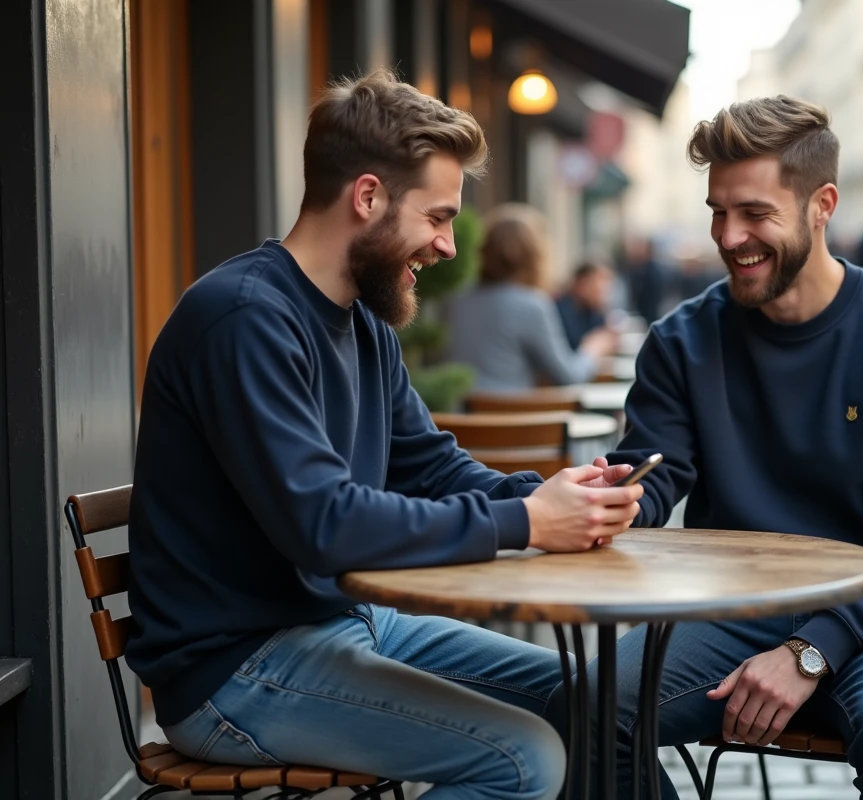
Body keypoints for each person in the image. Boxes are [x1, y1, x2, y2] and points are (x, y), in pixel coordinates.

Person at [126, 69, 645, 799]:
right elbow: (324, 525)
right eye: (436, 218)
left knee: (600, 698)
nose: (446, 247)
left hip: (347, 624)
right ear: (367, 197)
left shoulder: (363, 323)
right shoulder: (242, 319)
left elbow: (429, 463)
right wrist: (524, 520)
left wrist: (552, 497)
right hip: (237, 669)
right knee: (524, 759)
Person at [558, 96, 863, 799]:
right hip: (730, 610)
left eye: (755, 213)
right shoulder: (681, 341)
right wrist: (620, 495)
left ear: (823, 205)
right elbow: (658, 473)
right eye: (718, 211)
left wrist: (811, 649)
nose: (730, 236)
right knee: (584, 711)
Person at [445, 204, 616, 392]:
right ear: (535, 256)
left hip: (462, 416)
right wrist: (592, 349)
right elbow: (568, 375)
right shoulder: (532, 305)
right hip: (515, 417)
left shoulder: (458, 298)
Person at [556, 260, 614, 350]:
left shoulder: (591, 310)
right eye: (598, 291)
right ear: (583, 284)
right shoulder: (560, 311)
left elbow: (604, 336)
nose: (604, 288)